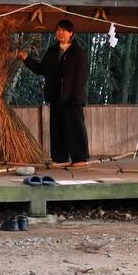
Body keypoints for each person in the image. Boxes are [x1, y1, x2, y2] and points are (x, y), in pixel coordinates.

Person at [18, 19, 90, 167]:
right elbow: (41, 69)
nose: (60, 33)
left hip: (72, 98)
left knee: (75, 127)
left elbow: (81, 77)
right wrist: (27, 60)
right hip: (56, 97)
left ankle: (79, 158)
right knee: (57, 128)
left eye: (64, 30)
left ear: (71, 34)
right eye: (58, 30)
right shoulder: (52, 51)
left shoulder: (78, 52)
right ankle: (60, 158)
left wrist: (77, 97)